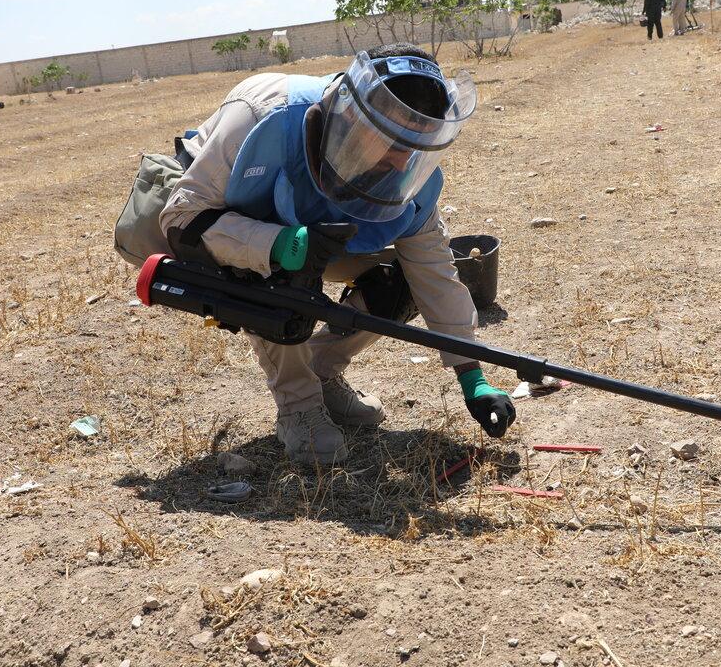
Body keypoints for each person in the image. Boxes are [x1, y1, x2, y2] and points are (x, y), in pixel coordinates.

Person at [158, 43, 516, 464]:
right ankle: (300, 407)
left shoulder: (407, 172)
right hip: (233, 229)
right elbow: (182, 218)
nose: (404, 165)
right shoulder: (260, 117)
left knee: (402, 280)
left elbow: (434, 272)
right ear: (352, 115)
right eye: (393, 143)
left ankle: (322, 370)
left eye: (415, 147)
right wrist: (278, 245)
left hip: (320, 236)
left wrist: (472, 375)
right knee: (284, 281)